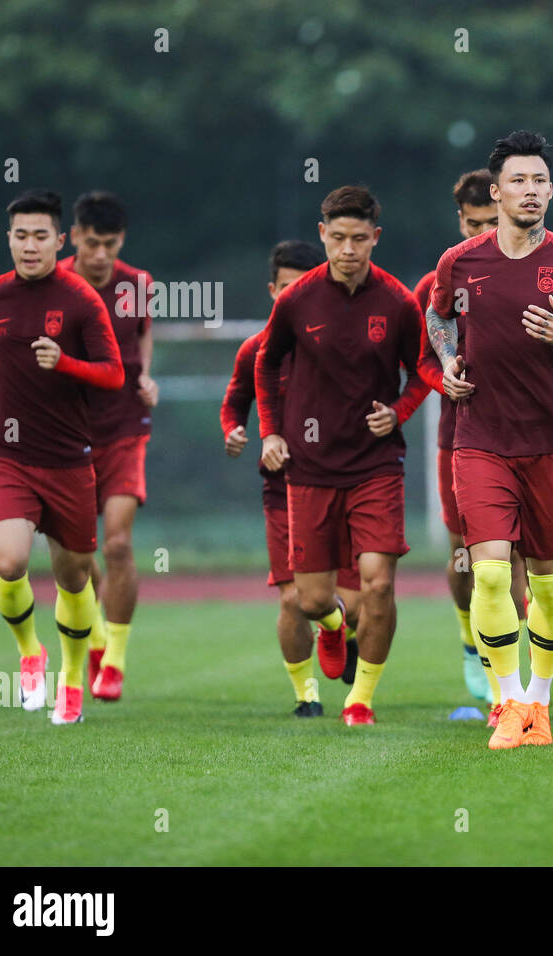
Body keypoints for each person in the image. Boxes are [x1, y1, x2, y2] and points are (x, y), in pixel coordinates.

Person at [425, 130, 553, 750]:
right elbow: (438, 317)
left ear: (550, 191)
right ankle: (506, 700)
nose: (530, 190)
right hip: (479, 439)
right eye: (519, 180)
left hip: (550, 443)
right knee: (488, 575)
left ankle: (539, 702)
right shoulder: (460, 262)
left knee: (548, 581)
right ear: (497, 190)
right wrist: (450, 361)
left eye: (540, 181)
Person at [256, 186, 429, 726]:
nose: (348, 249)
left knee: (378, 581)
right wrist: (269, 433)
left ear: (375, 238)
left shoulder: (398, 302)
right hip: (309, 469)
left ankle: (361, 701)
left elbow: (422, 372)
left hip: (376, 466)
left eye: (359, 238)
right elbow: (265, 365)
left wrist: (398, 412)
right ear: (323, 236)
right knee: (311, 602)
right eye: (337, 238)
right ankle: (333, 629)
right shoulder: (296, 300)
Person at [0, 190, 124, 725]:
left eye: (41, 236)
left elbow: (113, 374)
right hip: (10, 454)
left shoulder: (82, 300)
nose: (30, 245)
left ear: (60, 241)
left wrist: (65, 363)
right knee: (10, 562)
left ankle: (72, 683)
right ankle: (29, 654)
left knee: (74, 579)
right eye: (21, 235)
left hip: (69, 461)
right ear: (9, 239)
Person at [221, 239, 362, 716]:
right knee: (292, 600)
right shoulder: (255, 351)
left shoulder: (340, 345)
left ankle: (339, 626)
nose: (292, 297)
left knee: (350, 602)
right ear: (271, 290)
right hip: (282, 492)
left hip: (341, 485)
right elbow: (234, 401)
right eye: (284, 288)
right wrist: (234, 431)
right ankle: (307, 697)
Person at [411, 168, 527, 722]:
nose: (486, 228)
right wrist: (445, 381)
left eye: (493, 218)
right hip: (462, 440)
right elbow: (423, 362)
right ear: (461, 219)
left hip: (533, 438)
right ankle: (473, 650)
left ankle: (516, 676)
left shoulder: (539, 271)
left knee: (524, 562)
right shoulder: (444, 277)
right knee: (471, 557)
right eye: (476, 221)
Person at [59, 191, 158, 701]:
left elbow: (142, 335)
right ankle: (95, 636)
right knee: (76, 555)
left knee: (117, 544)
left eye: (111, 245)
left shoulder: (138, 286)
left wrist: (146, 377)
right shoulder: (50, 284)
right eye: (92, 243)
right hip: (61, 432)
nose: (101, 255)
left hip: (123, 426)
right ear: (73, 237)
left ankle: (114, 661)